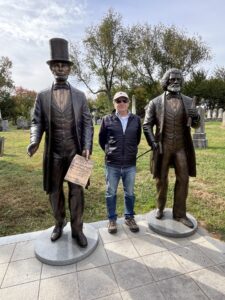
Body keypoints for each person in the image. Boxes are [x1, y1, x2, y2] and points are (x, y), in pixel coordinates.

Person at [27, 38, 93, 247]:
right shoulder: (43, 96)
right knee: (54, 191)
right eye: (56, 65)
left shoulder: (81, 96)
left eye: (64, 64)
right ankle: (58, 224)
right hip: (54, 153)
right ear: (51, 68)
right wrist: (34, 140)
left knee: (76, 192)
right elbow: (36, 121)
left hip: (75, 153)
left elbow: (88, 124)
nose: (60, 68)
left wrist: (87, 146)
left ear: (69, 69)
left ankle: (77, 229)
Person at [143, 68, 200, 228]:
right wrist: (153, 143)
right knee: (161, 179)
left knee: (184, 179)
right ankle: (160, 207)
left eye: (178, 79)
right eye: (172, 79)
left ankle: (180, 213)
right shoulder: (155, 102)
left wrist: (196, 117)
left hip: (181, 147)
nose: (175, 82)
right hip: (163, 146)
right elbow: (147, 125)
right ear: (166, 81)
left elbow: (195, 124)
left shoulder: (188, 101)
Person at [99, 91, 141, 233]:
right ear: (114, 103)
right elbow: (101, 140)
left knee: (129, 192)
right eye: (118, 101)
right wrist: (110, 152)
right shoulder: (107, 119)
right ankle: (112, 219)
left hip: (130, 163)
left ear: (128, 103)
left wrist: (130, 152)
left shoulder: (136, 120)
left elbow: (137, 139)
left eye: (124, 100)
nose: (121, 103)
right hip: (112, 164)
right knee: (111, 192)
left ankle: (129, 217)